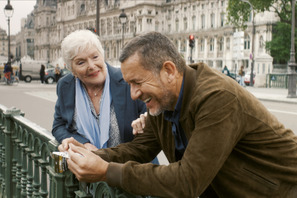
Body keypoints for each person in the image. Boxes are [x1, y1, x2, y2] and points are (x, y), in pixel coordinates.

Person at [59, 32, 297, 198]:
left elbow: (188, 180)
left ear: (169, 71)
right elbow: (138, 149)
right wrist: (88, 155)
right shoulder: (165, 100)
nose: (133, 94)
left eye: (137, 82)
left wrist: (105, 171)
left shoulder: (218, 98)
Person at [52, 29, 149, 152]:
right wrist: (83, 144)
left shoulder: (127, 80)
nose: (91, 66)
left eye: (95, 57)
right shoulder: (65, 86)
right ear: (72, 70)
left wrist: (146, 120)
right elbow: (58, 126)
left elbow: (151, 121)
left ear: (102, 55)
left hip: (130, 166)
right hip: (87, 168)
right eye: (81, 62)